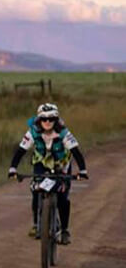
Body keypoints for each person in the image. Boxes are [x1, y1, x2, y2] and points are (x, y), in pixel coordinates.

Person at [7, 102, 88, 244]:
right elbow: (21, 151)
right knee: (36, 190)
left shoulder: (63, 132)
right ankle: (37, 224)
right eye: (44, 119)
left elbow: (76, 151)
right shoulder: (32, 132)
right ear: (39, 120)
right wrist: (13, 168)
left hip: (61, 165)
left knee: (63, 197)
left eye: (51, 118)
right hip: (41, 163)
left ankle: (64, 230)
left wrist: (82, 170)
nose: (47, 122)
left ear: (56, 119)